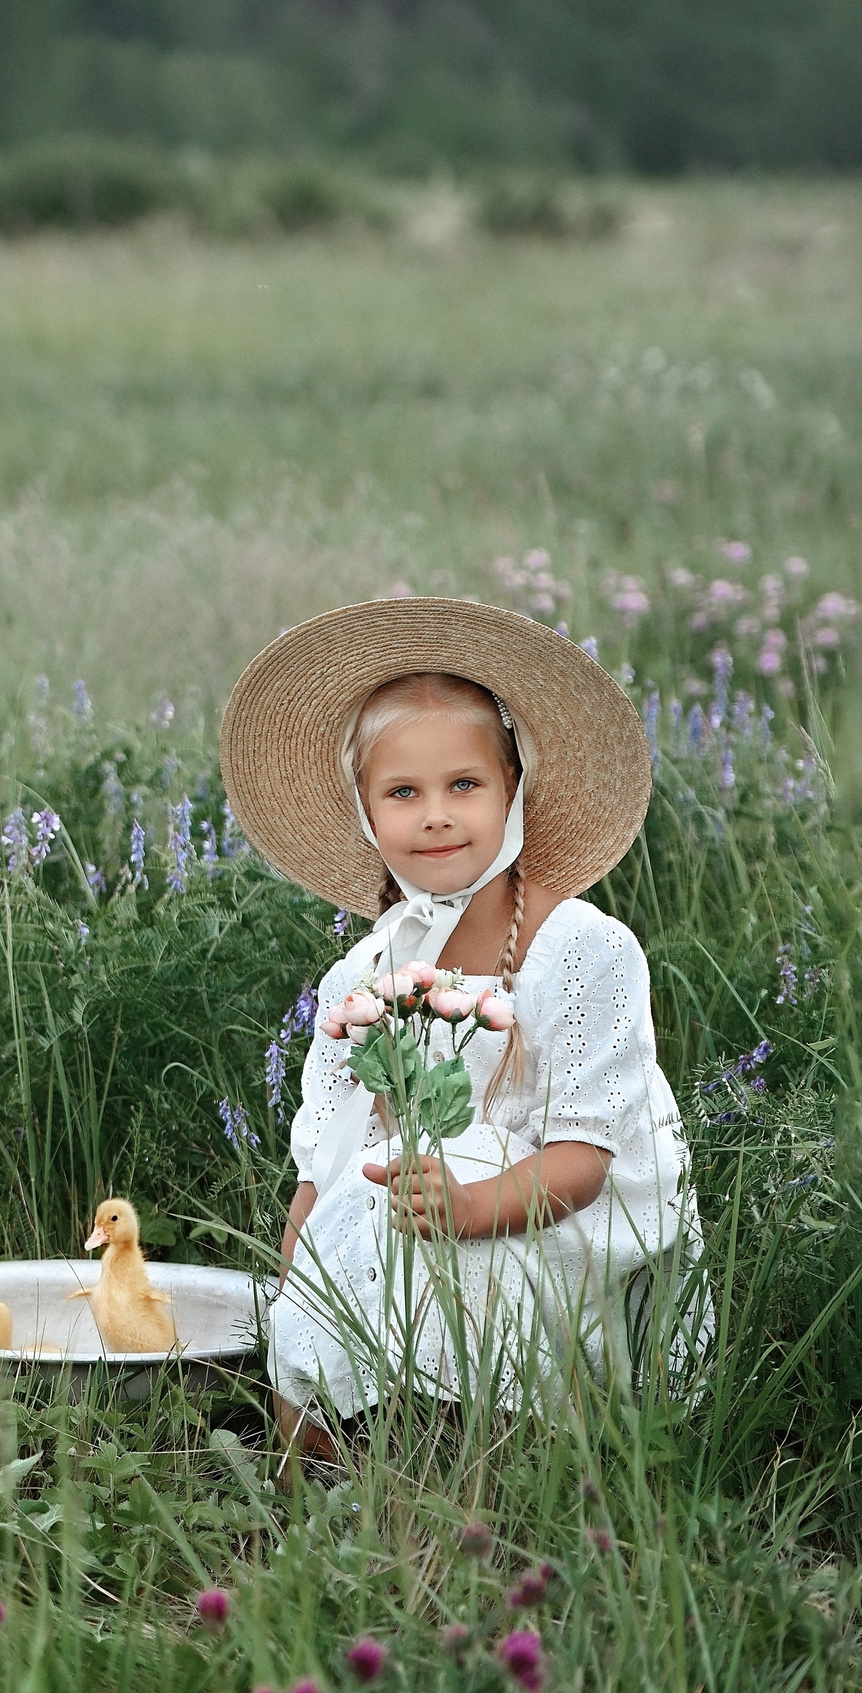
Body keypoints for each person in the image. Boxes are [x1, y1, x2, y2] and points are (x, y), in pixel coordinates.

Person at [217, 598, 697, 1460]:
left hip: (557, 1217)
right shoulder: (363, 978)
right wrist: (295, 1289)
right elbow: (324, 1166)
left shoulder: (581, 950)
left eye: (464, 785)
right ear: (366, 812)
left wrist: (471, 1207)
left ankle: (501, 1460)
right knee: (350, 1232)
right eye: (403, 792)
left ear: (513, 791)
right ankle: (323, 1473)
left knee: (458, 1186)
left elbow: (583, 1160)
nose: (435, 814)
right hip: (421, 1201)